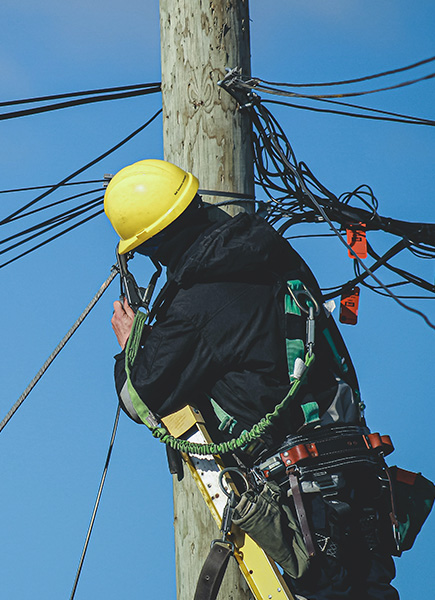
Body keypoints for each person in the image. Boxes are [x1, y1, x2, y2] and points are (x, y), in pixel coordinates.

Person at [105, 159, 399, 599]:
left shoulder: (196, 303)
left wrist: (132, 343)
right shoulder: (273, 255)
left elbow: (142, 394)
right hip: (357, 473)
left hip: (298, 495)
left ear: (149, 246)